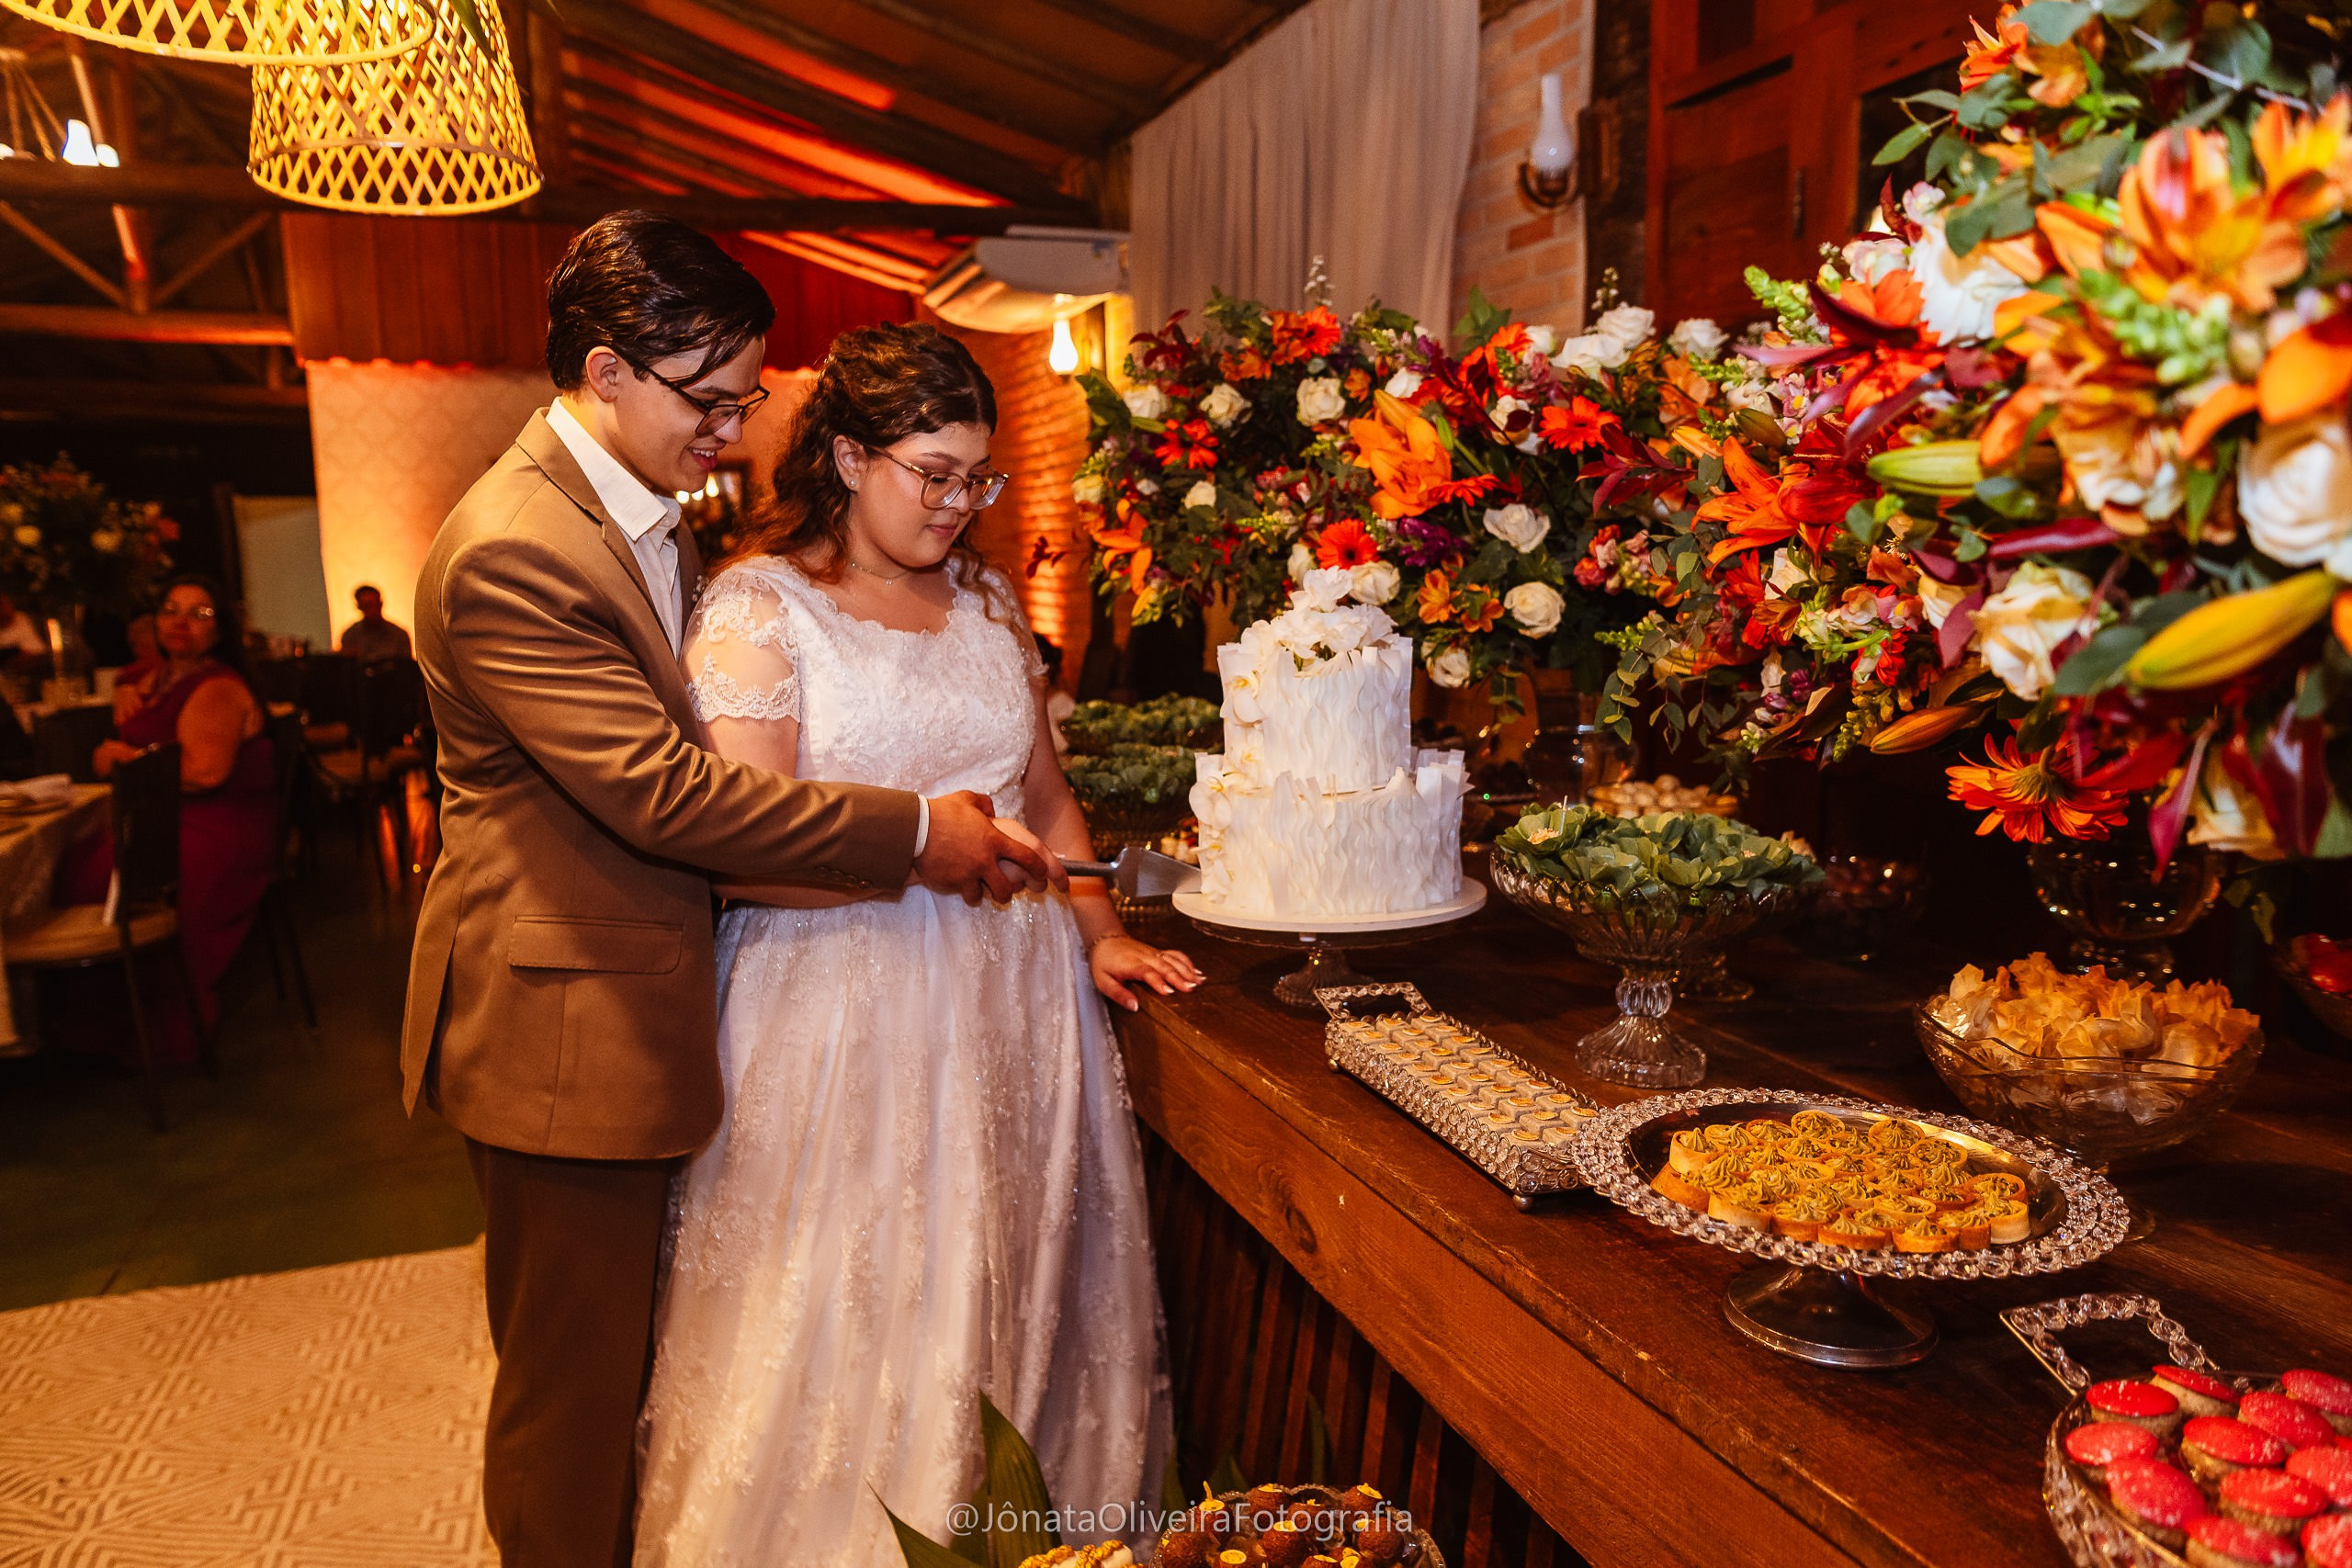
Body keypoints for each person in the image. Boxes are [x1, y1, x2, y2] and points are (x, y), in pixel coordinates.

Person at [402, 212, 1057, 1568]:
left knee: (652, 1367)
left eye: (742, 396)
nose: (730, 428)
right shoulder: (519, 542)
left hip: (645, 996)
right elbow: (667, 794)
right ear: (606, 373)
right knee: (570, 1406)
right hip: (563, 1027)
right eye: (710, 398)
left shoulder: (633, 517)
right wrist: (913, 835)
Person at [634, 323, 1192, 1565]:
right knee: (857, 1301)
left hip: (1016, 996)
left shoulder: (989, 596)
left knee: (1008, 1284)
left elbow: (1042, 793)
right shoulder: (758, 608)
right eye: (932, 473)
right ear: (844, 454)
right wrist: (916, 856)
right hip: (845, 1001)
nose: (958, 504)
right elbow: (734, 848)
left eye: (974, 479)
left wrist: (1097, 931)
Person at [64, 576, 276, 1056]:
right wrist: (122, 684)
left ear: (220, 631)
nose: (181, 622)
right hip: (166, 817)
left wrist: (121, 756)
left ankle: (148, 1023)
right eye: (170, 610)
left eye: (199, 614)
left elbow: (205, 772)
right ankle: (89, 1017)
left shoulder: (217, 686)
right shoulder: (155, 676)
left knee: (109, 875)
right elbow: (138, 682)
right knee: (75, 862)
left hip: (220, 824)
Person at [337, 584, 413, 664]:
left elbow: (406, 668)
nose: (373, 610)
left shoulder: (399, 635)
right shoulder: (351, 635)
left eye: (375, 605)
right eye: (367, 606)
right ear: (359, 607)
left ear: (381, 604)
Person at [0, 593, 48, 663]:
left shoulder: (22, 618)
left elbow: (34, 651)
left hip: (38, 660)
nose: (6, 608)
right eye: (2, 605)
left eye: (7, 604)